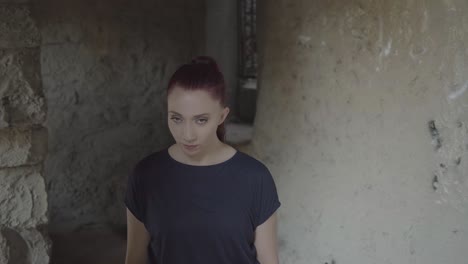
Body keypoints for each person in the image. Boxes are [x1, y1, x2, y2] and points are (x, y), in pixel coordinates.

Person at [124, 56, 281, 264]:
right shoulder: (145, 176)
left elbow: (269, 261)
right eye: (176, 118)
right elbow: (135, 258)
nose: (187, 134)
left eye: (201, 120)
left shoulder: (256, 178)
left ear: (222, 116)